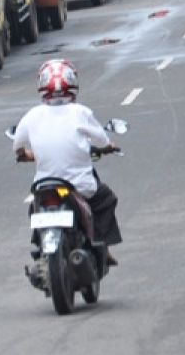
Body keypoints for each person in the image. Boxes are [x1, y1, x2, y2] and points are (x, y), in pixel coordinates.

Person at [12, 60, 123, 264]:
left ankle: (41, 245)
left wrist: (27, 155)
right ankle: (102, 246)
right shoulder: (80, 112)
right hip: (79, 186)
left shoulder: (32, 115)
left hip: (44, 186)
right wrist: (109, 147)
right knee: (106, 199)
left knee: (33, 209)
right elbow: (101, 139)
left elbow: (18, 147)